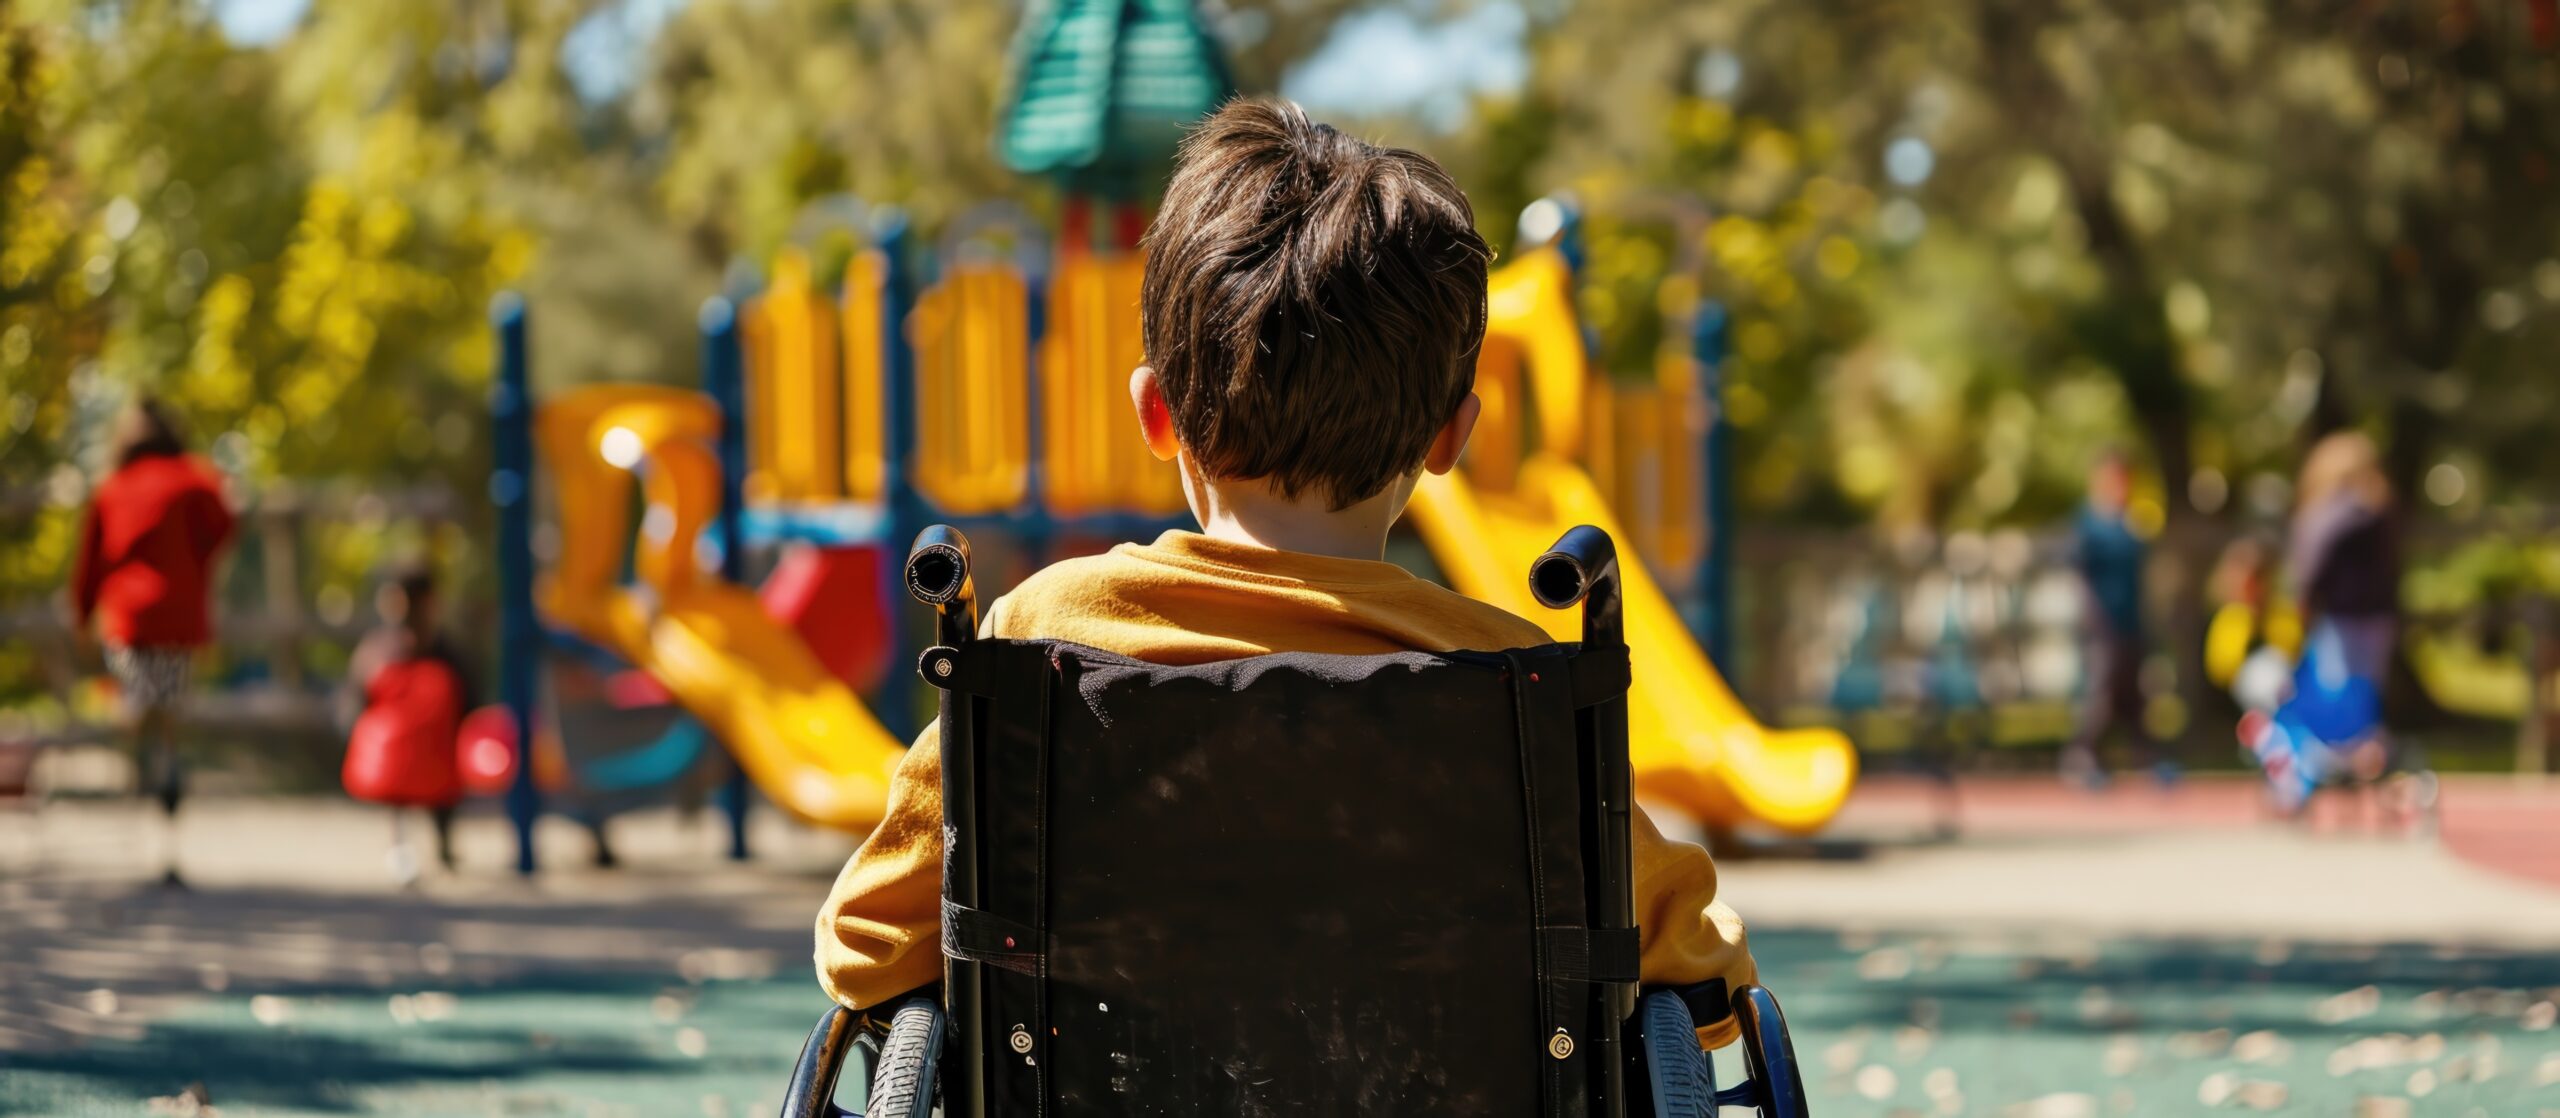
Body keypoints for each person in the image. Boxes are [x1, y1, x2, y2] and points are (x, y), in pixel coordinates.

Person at [813, 98, 1758, 1049]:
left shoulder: (1039, 636)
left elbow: (868, 949)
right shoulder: (1518, 679)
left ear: (1156, 414)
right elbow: (1703, 978)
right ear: (1450, 440)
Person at [69, 396, 235, 887]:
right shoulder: (194, 478)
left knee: (138, 702)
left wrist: (82, 615)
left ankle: (136, 771)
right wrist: (196, 567)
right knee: (169, 718)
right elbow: (223, 526)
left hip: (130, 620)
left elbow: (90, 564)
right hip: (180, 619)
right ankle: (164, 798)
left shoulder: (112, 486)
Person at [343, 564, 475, 884]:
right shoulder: (384, 649)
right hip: (402, 759)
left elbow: (468, 699)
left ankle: (437, 845)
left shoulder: (438, 651)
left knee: (435, 783)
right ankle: (407, 845)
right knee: (404, 783)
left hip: (434, 757)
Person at [2062, 451, 2173, 788]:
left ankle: (2145, 758)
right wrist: (2093, 617)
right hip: (2101, 623)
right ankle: (2082, 757)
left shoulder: (2133, 524)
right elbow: (2078, 574)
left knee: (2134, 694)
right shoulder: (2087, 525)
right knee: (2102, 692)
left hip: (2130, 620)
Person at [2287, 431, 2401, 687]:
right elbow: (2316, 556)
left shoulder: (2359, 511)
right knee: (2343, 689)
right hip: (2344, 615)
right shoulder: (2347, 510)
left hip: (2358, 614)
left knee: (2350, 690)